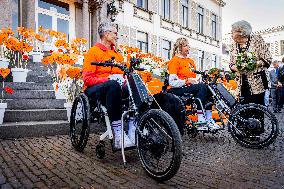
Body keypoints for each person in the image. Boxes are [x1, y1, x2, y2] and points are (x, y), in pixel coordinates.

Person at [82, 22, 135, 149]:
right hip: (94, 90)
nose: (117, 36)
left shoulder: (117, 54)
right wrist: (107, 78)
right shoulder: (93, 51)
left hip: (115, 89)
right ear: (106, 34)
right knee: (113, 84)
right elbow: (87, 79)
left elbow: (124, 74)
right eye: (115, 33)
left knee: (133, 86)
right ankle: (118, 135)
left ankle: (133, 129)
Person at [229, 20, 272, 136]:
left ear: (241, 32)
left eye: (232, 31)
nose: (231, 34)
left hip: (257, 80)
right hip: (242, 81)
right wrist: (237, 68)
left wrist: (251, 64)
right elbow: (231, 64)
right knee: (243, 106)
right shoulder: (233, 45)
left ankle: (256, 131)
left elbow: (267, 59)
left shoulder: (257, 39)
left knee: (257, 106)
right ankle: (245, 129)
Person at [166, 37, 219, 130]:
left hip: (189, 87)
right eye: (186, 46)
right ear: (179, 47)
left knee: (208, 87)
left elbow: (194, 77)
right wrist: (187, 81)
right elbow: (172, 82)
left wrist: (200, 78)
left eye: (188, 46)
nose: (188, 48)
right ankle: (201, 120)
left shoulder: (190, 61)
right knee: (202, 87)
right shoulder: (174, 61)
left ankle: (209, 119)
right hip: (176, 89)